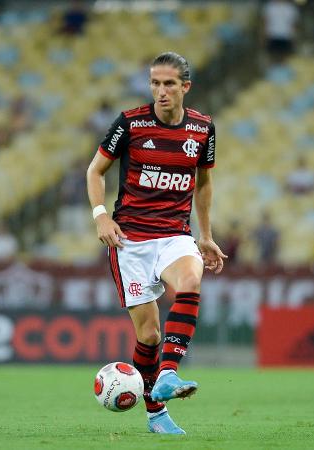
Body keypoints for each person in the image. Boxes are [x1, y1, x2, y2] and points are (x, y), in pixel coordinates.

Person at [86, 52, 227, 435]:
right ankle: (156, 413)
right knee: (149, 335)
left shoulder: (203, 128)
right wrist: (101, 213)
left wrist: (206, 235)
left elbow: (204, 182)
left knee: (191, 281)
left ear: (185, 86)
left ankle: (168, 373)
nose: (160, 91)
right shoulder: (130, 123)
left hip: (175, 235)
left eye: (168, 83)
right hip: (130, 240)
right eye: (154, 83)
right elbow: (95, 169)